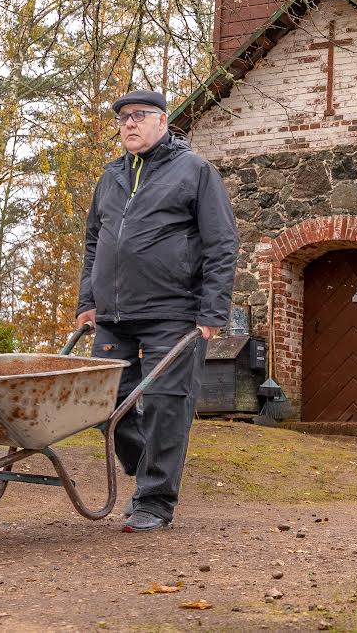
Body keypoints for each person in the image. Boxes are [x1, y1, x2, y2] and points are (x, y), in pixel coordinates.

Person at [76, 89, 239, 532]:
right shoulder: (110, 176)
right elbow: (94, 242)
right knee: (102, 402)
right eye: (123, 117)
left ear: (163, 122)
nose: (129, 123)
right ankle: (147, 465)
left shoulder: (195, 171)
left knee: (168, 405)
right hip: (113, 314)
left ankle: (155, 501)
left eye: (140, 115)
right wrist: (87, 302)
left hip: (174, 312)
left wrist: (212, 311)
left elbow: (221, 242)